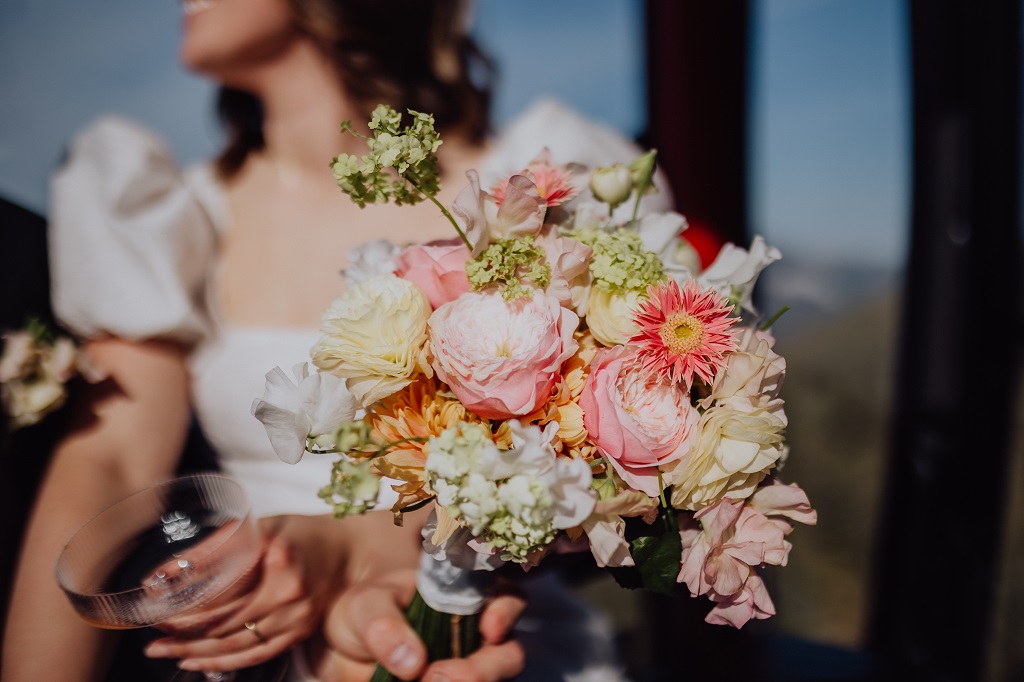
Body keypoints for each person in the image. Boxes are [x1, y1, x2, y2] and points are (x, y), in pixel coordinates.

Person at [2, 1, 671, 680]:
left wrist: (364, 546)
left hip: (485, 626)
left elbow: (599, 449)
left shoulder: (541, 185)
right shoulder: (168, 214)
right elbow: (110, 459)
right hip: (247, 639)